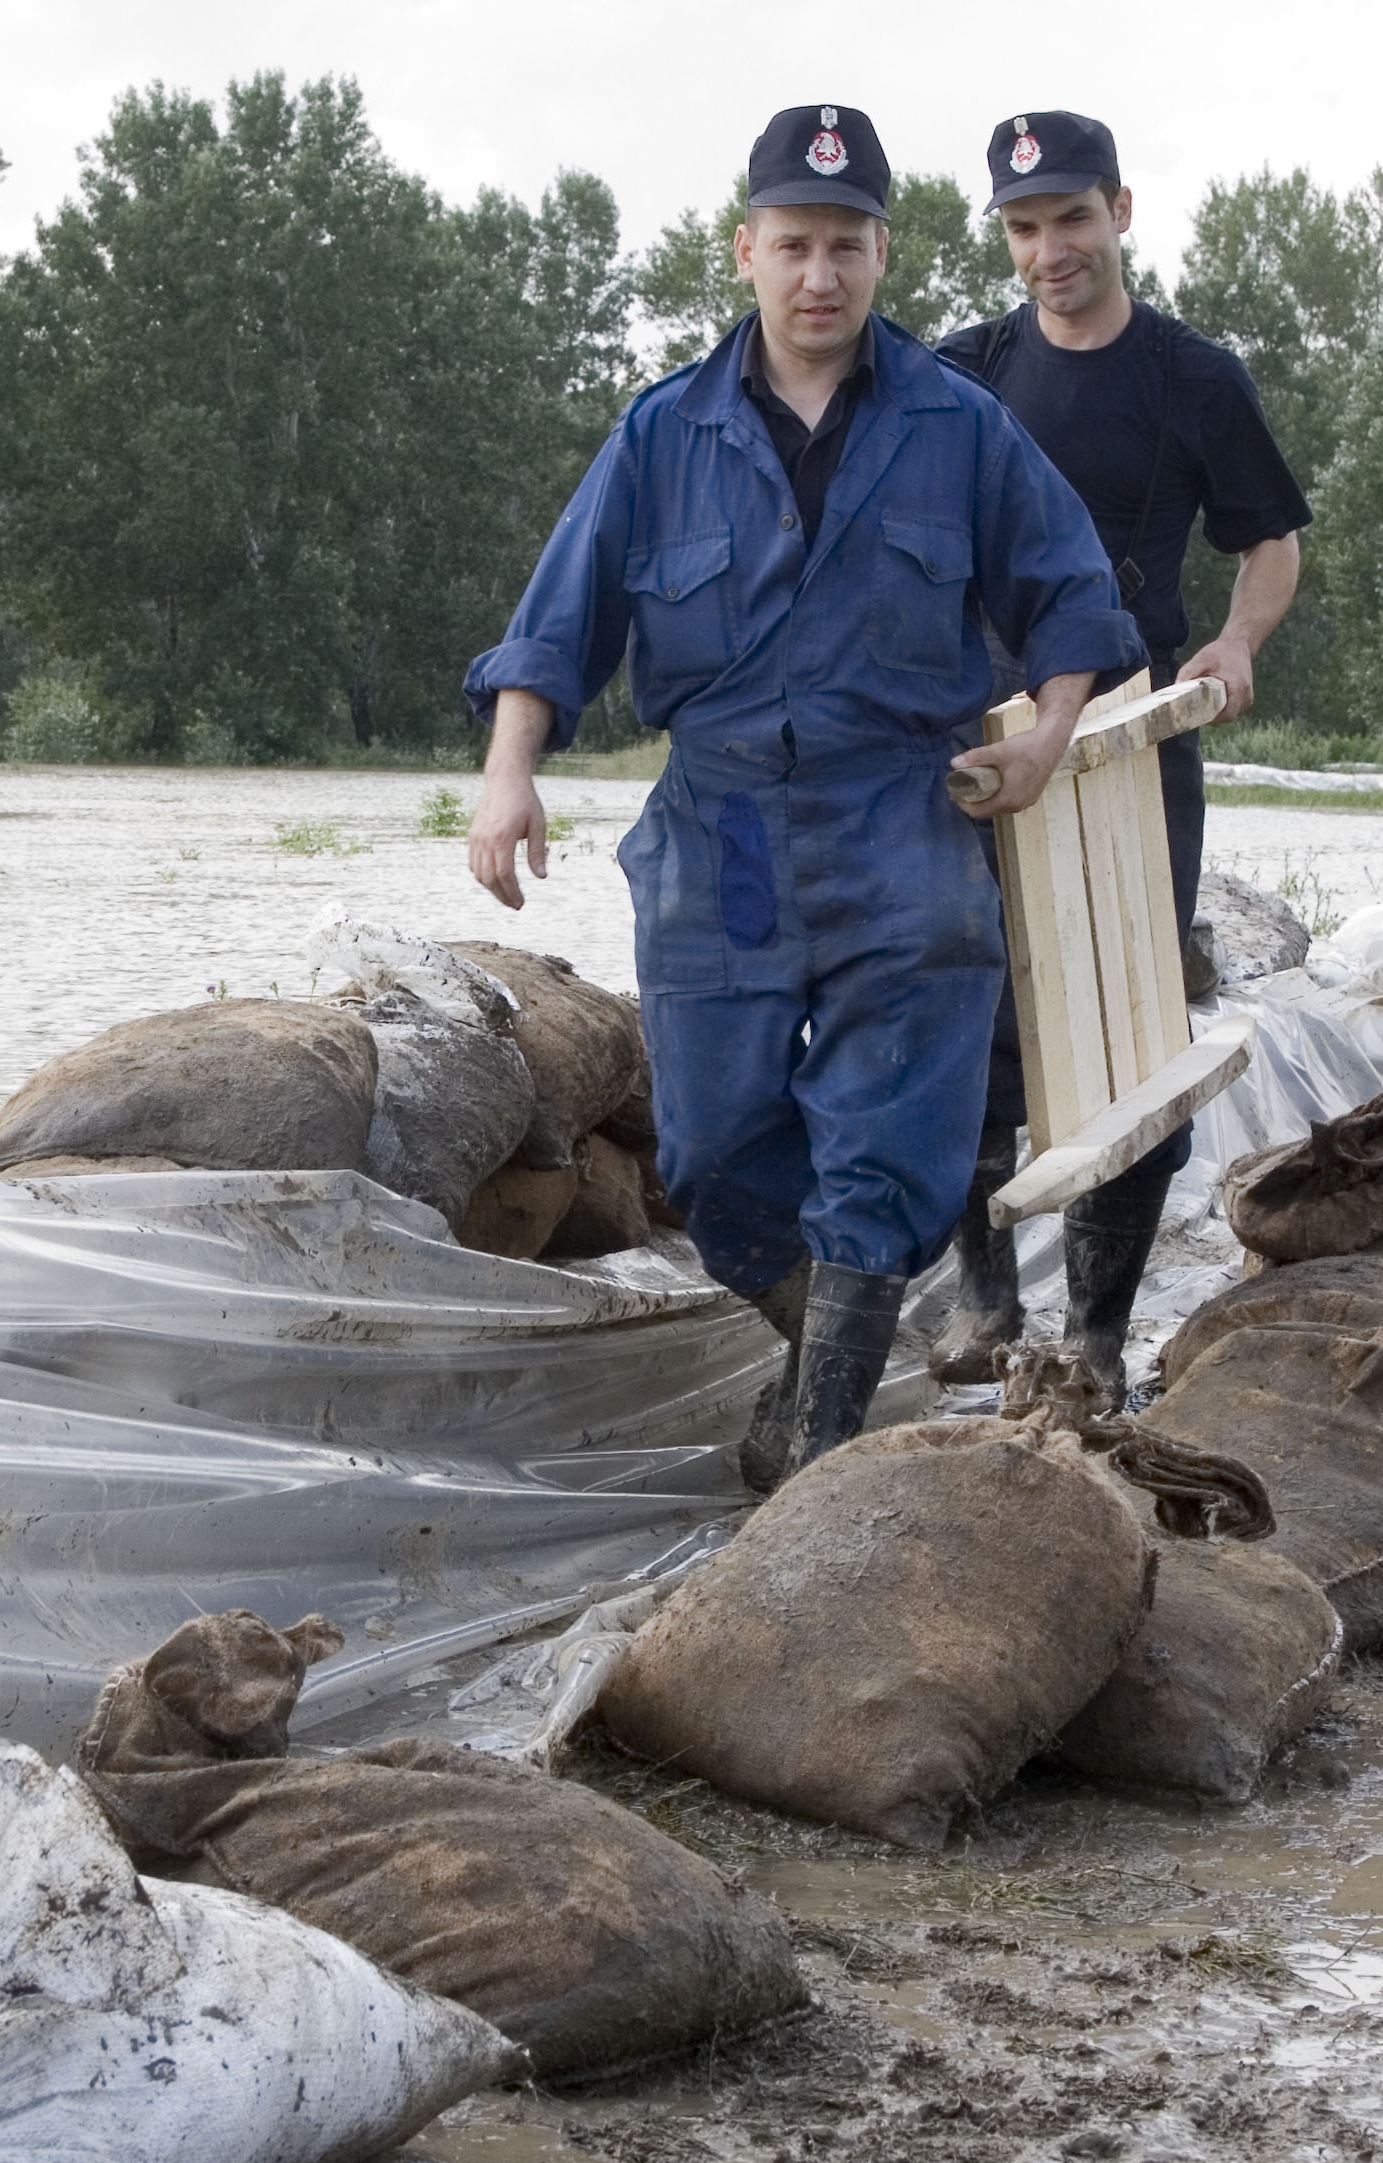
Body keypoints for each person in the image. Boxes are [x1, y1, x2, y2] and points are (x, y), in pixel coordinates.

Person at [464, 102, 1145, 1482]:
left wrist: (1046, 736)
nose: (820, 276)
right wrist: (508, 774)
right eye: (794, 246)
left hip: (904, 819)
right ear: (747, 252)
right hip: (723, 832)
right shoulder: (663, 433)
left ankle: (819, 1449)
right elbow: (558, 622)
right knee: (713, 1156)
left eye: (846, 245)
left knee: (890, 1142)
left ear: (883, 253)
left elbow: (1072, 592)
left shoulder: (958, 426)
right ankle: (832, 1368)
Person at [930, 110, 1313, 1398]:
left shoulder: (1195, 377)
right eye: (1025, 228)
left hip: (1134, 743)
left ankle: (1096, 1333)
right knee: (968, 1011)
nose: (1051, 251)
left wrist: (1238, 640)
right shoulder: (967, 371)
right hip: (987, 743)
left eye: (1072, 220)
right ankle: (985, 1301)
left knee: (1132, 1031)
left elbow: (1271, 539)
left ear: (1121, 212)